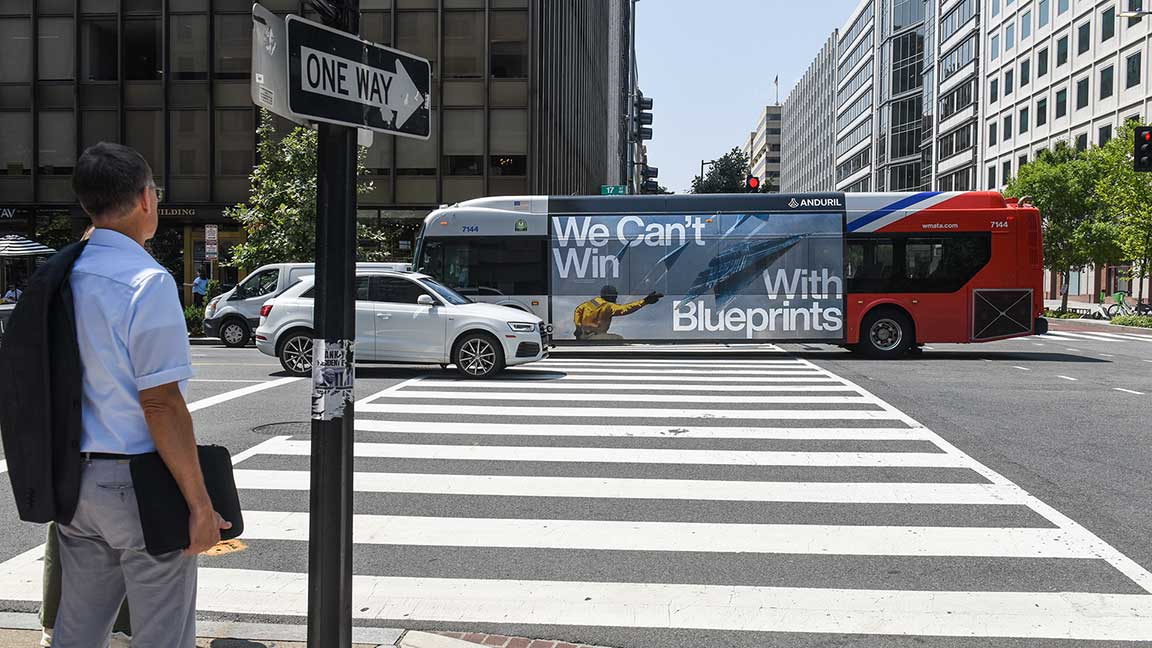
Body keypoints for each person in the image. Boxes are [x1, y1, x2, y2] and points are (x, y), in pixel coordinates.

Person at [54, 142, 229, 647]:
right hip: (137, 480)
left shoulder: (62, 276)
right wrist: (199, 504)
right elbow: (160, 401)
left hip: (74, 478)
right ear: (146, 198)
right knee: (162, 632)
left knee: (78, 628)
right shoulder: (145, 282)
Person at [573, 285, 662, 341]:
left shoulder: (588, 304)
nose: (616, 297)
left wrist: (578, 327)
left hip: (582, 337)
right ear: (611, 295)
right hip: (594, 338)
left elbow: (578, 310)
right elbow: (625, 308)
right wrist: (644, 301)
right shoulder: (608, 306)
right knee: (619, 339)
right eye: (615, 295)